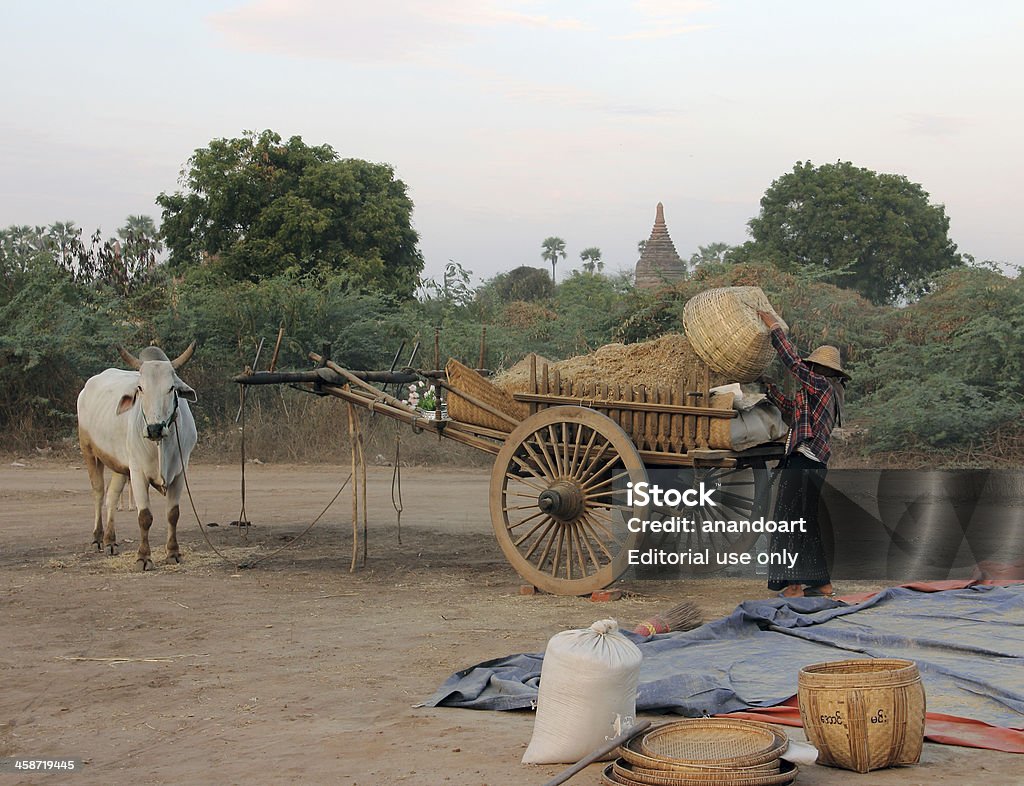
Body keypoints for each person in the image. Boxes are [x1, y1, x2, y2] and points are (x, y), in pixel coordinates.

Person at [756, 309, 850, 598]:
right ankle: (822, 583)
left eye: (813, 368)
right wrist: (766, 387)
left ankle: (794, 585)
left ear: (823, 371)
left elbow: (793, 363)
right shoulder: (824, 393)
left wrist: (774, 330)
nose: (810, 371)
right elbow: (791, 411)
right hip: (813, 464)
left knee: (788, 521)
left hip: (803, 462)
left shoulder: (821, 386)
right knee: (805, 523)